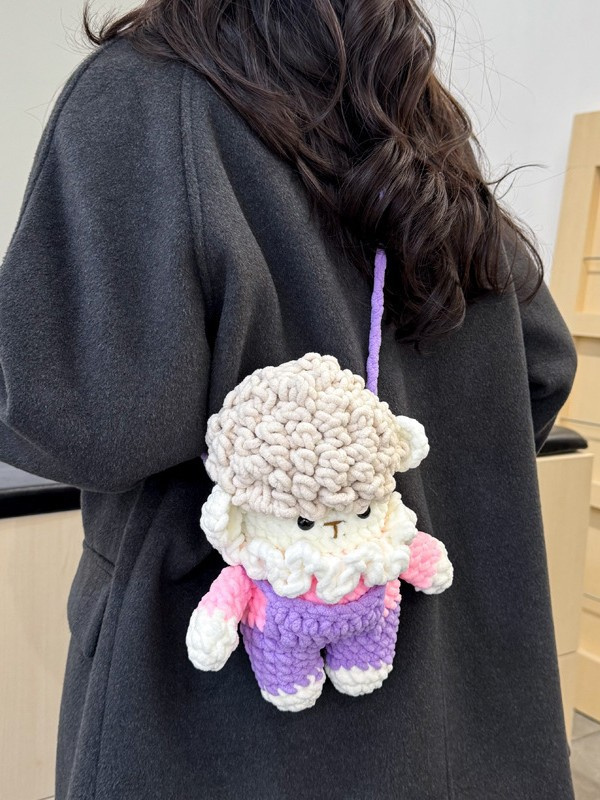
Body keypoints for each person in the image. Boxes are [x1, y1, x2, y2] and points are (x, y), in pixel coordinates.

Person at [0, 1, 578, 798]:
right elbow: (542, 365)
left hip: (218, 734)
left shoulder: (141, 97)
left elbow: (79, 420)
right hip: (459, 723)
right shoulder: (417, 119)